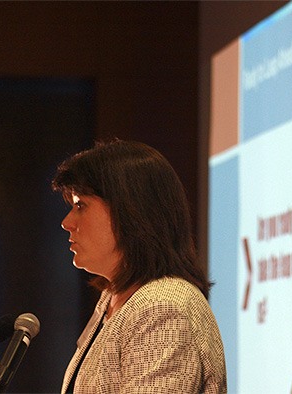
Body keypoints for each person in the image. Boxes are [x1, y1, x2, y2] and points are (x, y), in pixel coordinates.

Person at [52, 139, 227, 393]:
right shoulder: (113, 299)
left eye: (81, 205)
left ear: (129, 211)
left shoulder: (163, 308)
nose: (67, 222)